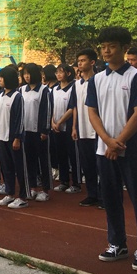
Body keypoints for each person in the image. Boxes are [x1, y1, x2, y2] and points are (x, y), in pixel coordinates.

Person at [87, 27, 137, 270]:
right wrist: (107, 140)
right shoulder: (96, 80)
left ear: (124, 48)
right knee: (111, 198)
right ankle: (117, 243)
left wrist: (118, 142)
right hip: (104, 149)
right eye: (103, 46)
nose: (106, 50)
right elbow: (92, 112)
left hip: (132, 149)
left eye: (111, 46)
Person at [70, 48, 101, 207]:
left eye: (83, 60)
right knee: (87, 165)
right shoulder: (77, 84)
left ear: (92, 62)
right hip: (82, 130)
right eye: (79, 61)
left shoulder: (99, 81)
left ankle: (103, 196)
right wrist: (74, 127)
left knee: (100, 166)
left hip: (97, 131)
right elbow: (75, 107)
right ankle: (92, 194)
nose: (80, 64)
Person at [0, 66, 27, 209]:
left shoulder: (17, 97)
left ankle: (23, 196)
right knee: (6, 167)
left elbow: (20, 119)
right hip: (2, 138)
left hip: (13, 138)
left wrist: (17, 138)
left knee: (19, 168)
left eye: (2, 78)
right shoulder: (0, 96)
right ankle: (9, 193)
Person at [20, 63, 52, 202]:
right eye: (24, 74)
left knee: (43, 160)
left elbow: (47, 110)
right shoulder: (22, 90)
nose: (27, 76)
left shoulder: (44, 90)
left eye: (29, 73)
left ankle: (45, 189)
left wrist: (45, 130)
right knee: (29, 160)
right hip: (25, 131)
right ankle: (32, 187)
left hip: (39, 131)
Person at [51, 64, 81, 193]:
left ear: (68, 73)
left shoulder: (73, 87)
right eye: (56, 72)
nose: (58, 75)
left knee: (73, 155)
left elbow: (72, 108)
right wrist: (52, 122)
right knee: (60, 155)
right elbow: (51, 107)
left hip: (68, 127)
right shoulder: (54, 89)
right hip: (56, 127)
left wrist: (60, 121)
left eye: (61, 72)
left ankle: (76, 183)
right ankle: (64, 181)